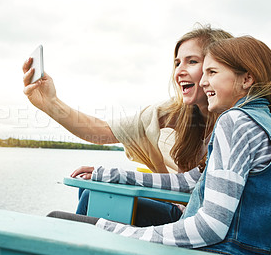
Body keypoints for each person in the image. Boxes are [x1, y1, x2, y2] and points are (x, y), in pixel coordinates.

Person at [48, 36, 271, 255]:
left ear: (247, 79)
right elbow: (191, 181)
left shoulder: (235, 122)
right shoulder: (261, 122)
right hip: (231, 250)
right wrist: (110, 175)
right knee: (75, 217)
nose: (204, 82)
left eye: (212, 72)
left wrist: (128, 233)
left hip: (215, 252)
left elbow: (210, 228)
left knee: (57, 222)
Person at [23, 25, 233, 226]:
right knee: (95, 190)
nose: (179, 71)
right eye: (177, 63)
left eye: (192, 61)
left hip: (190, 225)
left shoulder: (235, 124)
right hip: (180, 215)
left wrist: (112, 175)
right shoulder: (173, 112)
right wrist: (50, 103)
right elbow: (103, 132)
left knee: (86, 199)